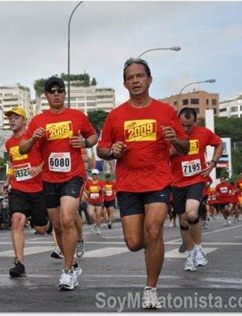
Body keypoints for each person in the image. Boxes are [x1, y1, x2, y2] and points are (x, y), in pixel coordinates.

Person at [97, 58, 189, 308]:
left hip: (158, 181)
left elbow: (185, 146)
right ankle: (150, 249)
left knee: (154, 230)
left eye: (140, 76)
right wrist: (112, 150)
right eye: (130, 77)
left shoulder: (166, 112)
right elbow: (101, 150)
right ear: (124, 83)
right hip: (128, 185)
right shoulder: (116, 115)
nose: (135, 80)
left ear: (149, 79)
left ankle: (151, 288)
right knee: (134, 242)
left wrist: (174, 139)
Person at [20, 76, 98, 291]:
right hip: (49, 179)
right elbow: (23, 148)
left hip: (73, 175)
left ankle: (68, 272)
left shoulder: (77, 116)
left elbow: (93, 136)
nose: (56, 93)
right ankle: (72, 263)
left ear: (64, 94)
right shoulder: (38, 121)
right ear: (46, 95)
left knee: (66, 219)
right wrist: (33, 138)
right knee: (57, 226)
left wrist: (84, 142)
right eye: (52, 91)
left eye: (60, 90)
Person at [169, 108, 223, 272]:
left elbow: (219, 144)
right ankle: (191, 254)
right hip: (177, 183)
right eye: (182, 125)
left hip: (196, 180)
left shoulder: (203, 133)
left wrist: (213, 163)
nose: (185, 129)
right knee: (184, 220)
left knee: (192, 213)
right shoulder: (171, 135)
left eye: (189, 126)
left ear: (195, 122)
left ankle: (199, 249)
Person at [3, 106, 50, 277]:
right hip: (19, 188)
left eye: (16, 117)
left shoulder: (34, 138)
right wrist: (8, 180)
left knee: (41, 228)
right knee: (16, 220)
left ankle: (45, 221)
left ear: (24, 120)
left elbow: (50, 154)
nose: (12, 120)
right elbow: (13, 164)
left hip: (38, 188)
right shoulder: (9, 143)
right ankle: (19, 262)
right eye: (10, 118)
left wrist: (40, 167)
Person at [84, 169, 105, 235]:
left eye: (96, 174)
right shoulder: (89, 182)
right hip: (91, 201)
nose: (94, 176)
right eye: (93, 174)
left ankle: (98, 229)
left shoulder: (101, 182)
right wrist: (89, 192)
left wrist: (101, 189)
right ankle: (96, 223)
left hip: (99, 201)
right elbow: (86, 191)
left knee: (98, 215)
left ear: (98, 175)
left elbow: (104, 190)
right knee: (91, 214)